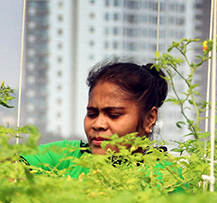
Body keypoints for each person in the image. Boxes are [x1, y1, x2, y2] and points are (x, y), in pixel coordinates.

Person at [21, 61, 170, 177]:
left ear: (150, 119)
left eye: (114, 115)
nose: (98, 124)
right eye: (92, 113)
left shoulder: (167, 177)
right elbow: (8, 171)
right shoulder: (66, 156)